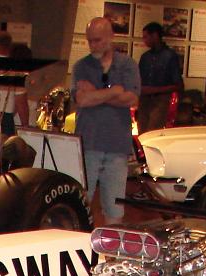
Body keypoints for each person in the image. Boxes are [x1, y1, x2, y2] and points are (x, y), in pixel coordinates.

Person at [72, 17, 139, 225]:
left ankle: (112, 244)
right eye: (90, 41)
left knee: (114, 207)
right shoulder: (81, 66)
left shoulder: (127, 65)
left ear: (111, 37)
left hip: (117, 145)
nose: (93, 45)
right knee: (81, 202)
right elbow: (82, 100)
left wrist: (96, 93)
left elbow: (132, 99)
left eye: (98, 40)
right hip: (88, 143)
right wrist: (115, 91)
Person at [137, 22, 183, 133]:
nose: (144, 40)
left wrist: (154, 90)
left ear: (155, 35)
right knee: (142, 132)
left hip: (160, 100)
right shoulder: (145, 57)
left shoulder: (170, 56)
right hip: (144, 100)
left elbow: (178, 84)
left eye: (146, 37)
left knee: (152, 132)